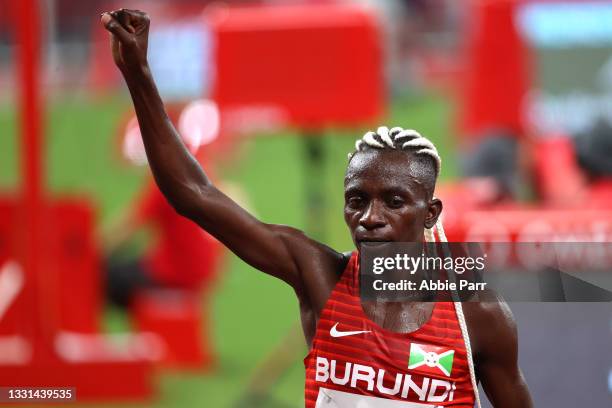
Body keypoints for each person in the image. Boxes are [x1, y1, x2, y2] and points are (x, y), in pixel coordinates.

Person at [100, 8, 532, 407]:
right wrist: (138, 74)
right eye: (356, 201)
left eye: (394, 202)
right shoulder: (320, 275)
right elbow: (194, 194)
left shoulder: (478, 317)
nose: (370, 218)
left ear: (431, 213)